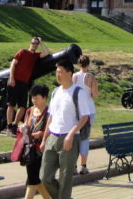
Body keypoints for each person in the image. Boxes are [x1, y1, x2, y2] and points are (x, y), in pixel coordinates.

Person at [40, 58, 91, 199]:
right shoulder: (55, 92)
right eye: (57, 72)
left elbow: (84, 117)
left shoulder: (78, 93)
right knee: (44, 177)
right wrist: (45, 139)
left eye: (60, 72)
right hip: (52, 137)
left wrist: (71, 135)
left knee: (65, 178)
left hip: (69, 138)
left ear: (69, 73)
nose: (58, 75)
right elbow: (50, 117)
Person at [8, 37, 51, 134]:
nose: (34, 45)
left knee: (22, 106)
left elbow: (47, 52)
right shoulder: (22, 52)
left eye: (36, 43)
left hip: (24, 83)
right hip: (15, 80)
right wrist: (11, 78)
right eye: (33, 43)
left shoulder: (36, 55)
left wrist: (41, 42)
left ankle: (15, 124)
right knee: (11, 104)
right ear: (30, 43)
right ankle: (9, 125)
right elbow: (13, 65)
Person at [19, 84, 52, 199]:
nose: (34, 101)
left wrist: (41, 134)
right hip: (29, 149)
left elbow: (52, 130)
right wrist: (22, 128)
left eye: (36, 98)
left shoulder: (49, 112)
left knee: (33, 179)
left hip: (42, 150)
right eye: (32, 98)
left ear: (44, 98)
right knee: (34, 179)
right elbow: (27, 126)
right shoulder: (29, 111)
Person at [72, 55, 99, 175]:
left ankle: (73, 165)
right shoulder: (91, 77)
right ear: (88, 65)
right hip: (89, 109)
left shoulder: (74, 76)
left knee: (74, 138)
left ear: (78, 64)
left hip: (76, 110)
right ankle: (83, 166)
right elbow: (95, 94)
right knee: (85, 139)